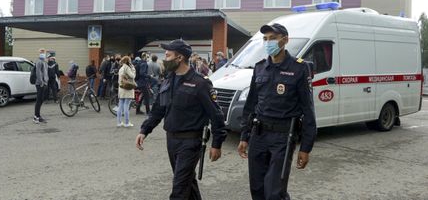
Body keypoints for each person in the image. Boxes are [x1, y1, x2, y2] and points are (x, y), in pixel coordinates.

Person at [135, 39, 227, 200]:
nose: (165, 59)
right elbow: (158, 109)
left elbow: (216, 115)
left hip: (191, 142)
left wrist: (217, 144)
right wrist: (144, 130)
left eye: (168, 55)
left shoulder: (200, 83)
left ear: (180, 58)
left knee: (179, 189)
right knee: (187, 184)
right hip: (171, 140)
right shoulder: (169, 80)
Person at [237, 23, 317, 200]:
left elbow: (308, 110)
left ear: (285, 40)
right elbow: (251, 105)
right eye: (265, 39)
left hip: (283, 138)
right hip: (258, 135)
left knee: (274, 192)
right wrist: (244, 136)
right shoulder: (259, 68)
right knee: (257, 190)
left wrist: (306, 147)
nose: (268, 42)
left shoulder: (299, 68)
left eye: (272, 38)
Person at [117, 56, 136, 127]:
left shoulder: (121, 68)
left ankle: (119, 122)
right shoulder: (127, 68)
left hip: (121, 88)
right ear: (128, 61)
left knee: (120, 105)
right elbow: (133, 76)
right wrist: (133, 69)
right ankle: (127, 123)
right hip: (127, 88)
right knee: (126, 106)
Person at [34, 48, 49, 123]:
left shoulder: (44, 62)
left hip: (44, 83)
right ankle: (36, 117)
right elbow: (38, 73)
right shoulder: (39, 61)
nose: (43, 53)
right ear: (39, 53)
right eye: (41, 52)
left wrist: (46, 81)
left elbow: (45, 73)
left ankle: (38, 116)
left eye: (44, 52)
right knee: (39, 100)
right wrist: (41, 83)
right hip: (40, 84)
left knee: (41, 99)